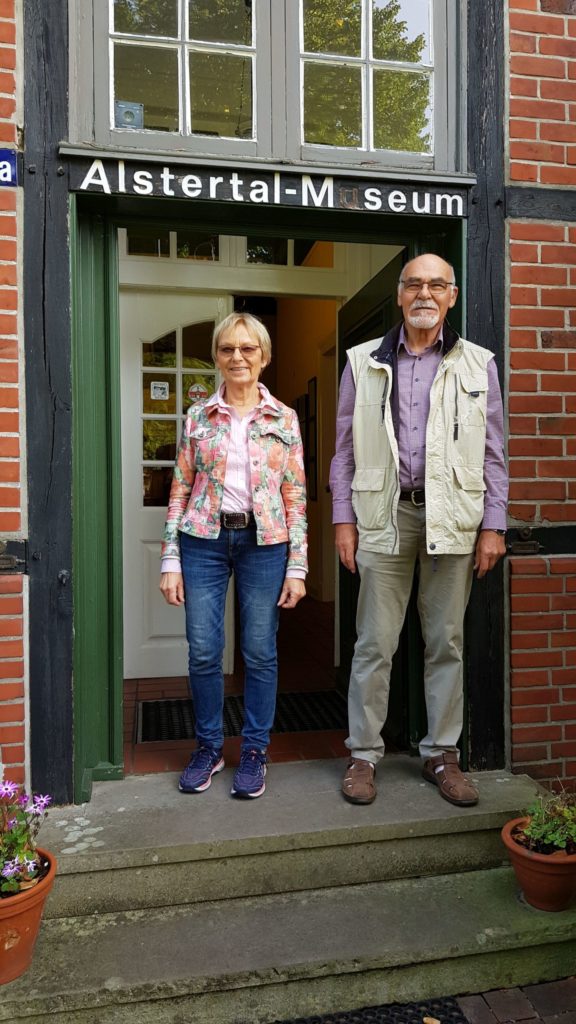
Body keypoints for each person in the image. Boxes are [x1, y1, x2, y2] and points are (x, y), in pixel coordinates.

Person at [330, 253, 508, 808]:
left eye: (436, 285)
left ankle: (441, 755)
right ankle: (363, 755)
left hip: (452, 517)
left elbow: (494, 455)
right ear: (400, 295)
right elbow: (343, 452)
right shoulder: (362, 362)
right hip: (383, 516)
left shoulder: (479, 364)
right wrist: (343, 521)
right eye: (414, 285)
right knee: (374, 643)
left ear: (452, 296)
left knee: (446, 642)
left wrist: (493, 526)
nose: (424, 294)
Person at [160, 312, 307, 800]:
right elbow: (179, 490)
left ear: (264, 357)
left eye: (248, 349)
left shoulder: (284, 418)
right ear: (217, 357)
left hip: (265, 545)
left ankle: (254, 752)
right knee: (204, 650)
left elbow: (296, 496)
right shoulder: (197, 417)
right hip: (202, 541)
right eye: (228, 349)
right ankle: (208, 748)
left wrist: (298, 566)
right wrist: (170, 559)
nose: (237, 357)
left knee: (259, 651)